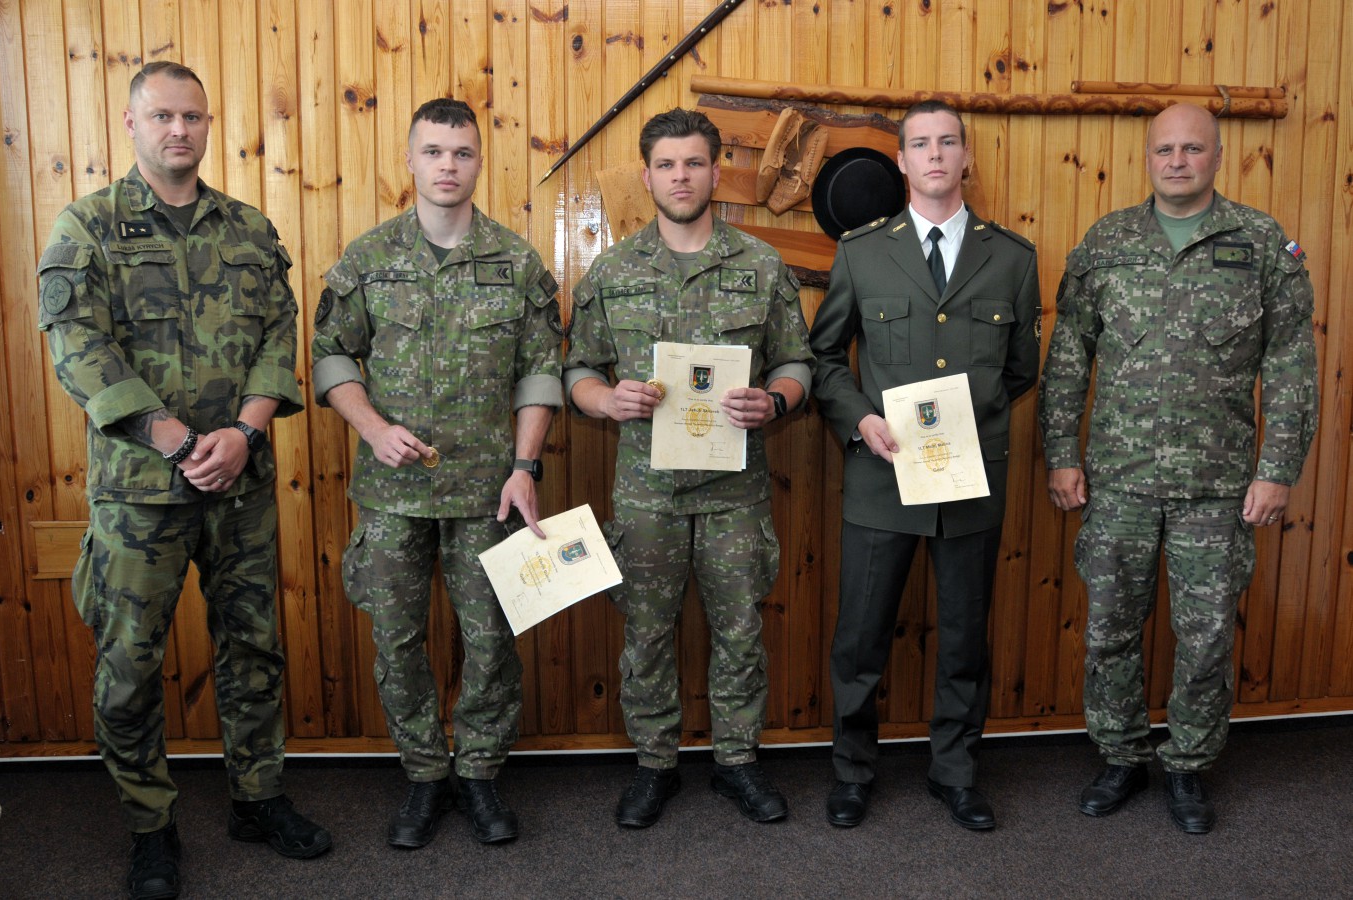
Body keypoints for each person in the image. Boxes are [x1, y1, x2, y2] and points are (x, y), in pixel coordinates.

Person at [37, 61, 329, 900]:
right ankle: (149, 826)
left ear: (207, 125)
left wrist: (244, 433)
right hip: (139, 494)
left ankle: (257, 798)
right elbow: (79, 349)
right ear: (131, 123)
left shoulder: (248, 229)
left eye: (193, 116)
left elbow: (278, 334)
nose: (179, 130)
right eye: (162, 115)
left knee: (254, 648)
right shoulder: (88, 227)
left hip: (240, 481)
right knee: (129, 663)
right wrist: (177, 441)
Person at [1038, 102, 1318, 834]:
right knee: (1109, 629)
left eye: (1192, 148)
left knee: (1206, 636)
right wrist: (1061, 454)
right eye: (1164, 149)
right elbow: (1067, 358)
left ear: (1217, 157)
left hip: (1217, 486)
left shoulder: (1260, 243)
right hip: (1118, 480)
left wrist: (1277, 468)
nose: (1177, 161)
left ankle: (1189, 764)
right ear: (1147, 158)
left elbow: (1291, 364)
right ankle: (1121, 755)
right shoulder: (1107, 242)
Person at [311, 98, 562, 848]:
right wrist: (372, 428)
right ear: (410, 160)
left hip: (489, 492)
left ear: (479, 160)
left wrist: (525, 466)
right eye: (433, 151)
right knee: (397, 641)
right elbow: (329, 355)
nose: (447, 165)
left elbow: (540, 371)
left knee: (492, 640)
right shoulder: (369, 258)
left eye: (461, 152)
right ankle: (424, 774)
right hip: (393, 495)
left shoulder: (515, 261)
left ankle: (479, 774)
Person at [564, 108, 814, 828]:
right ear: (647, 177)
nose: (681, 177)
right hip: (647, 493)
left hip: (736, 490)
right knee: (645, 632)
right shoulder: (613, 270)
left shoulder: (760, 264)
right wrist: (606, 399)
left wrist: (774, 399)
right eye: (667, 165)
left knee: (740, 629)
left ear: (714, 173)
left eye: (694, 163)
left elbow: (797, 361)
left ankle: (737, 761)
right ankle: (654, 764)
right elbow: (577, 368)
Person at [809, 100, 1041, 831]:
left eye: (947, 142)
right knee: (860, 637)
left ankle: (956, 772)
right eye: (919, 144)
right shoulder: (862, 252)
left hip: (970, 478)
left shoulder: (1012, 258)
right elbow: (824, 357)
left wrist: (970, 423)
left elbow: (1020, 369)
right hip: (882, 476)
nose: (934, 154)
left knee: (966, 637)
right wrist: (860, 419)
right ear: (902, 162)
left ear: (965, 157)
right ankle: (852, 772)